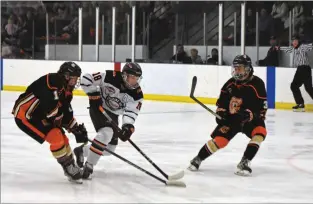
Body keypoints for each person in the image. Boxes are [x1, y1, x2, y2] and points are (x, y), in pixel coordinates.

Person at [188, 55, 268, 176]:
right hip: (233, 119)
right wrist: (221, 112)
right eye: (235, 68)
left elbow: (263, 108)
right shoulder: (229, 85)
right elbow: (222, 103)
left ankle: (244, 162)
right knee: (220, 140)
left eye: (239, 68)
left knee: (260, 132)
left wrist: (251, 115)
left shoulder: (257, 84)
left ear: (248, 69)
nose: (236, 71)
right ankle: (198, 158)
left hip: (249, 119)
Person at [12, 62, 88, 184]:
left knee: (63, 137)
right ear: (66, 76)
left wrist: (75, 128)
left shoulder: (67, 91)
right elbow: (51, 112)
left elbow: (65, 112)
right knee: (56, 136)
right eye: (74, 78)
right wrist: (68, 125)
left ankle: (71, 165)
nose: (75, 82)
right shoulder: (52, 81)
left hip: (41, 114)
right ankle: (67, 166)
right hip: (26, 115)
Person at [74, 62, 144, 179]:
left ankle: (81, 151)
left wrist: (128, 126)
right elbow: (86, 79)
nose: (134, 81)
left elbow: (131, 112)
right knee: (106, 133)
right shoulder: (109, 76)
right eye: (132, 77)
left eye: (137, 78)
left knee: (109, 149)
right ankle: (89, 165)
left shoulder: (137, 94)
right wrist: (93, 94)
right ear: (124, 75)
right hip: (99, 108)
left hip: (114, 115)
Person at [280, 34, 313, 112]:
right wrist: (278, 48)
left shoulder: (303, 47)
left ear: (299, 41)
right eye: (292, 41)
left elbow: (310, 46)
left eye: (295, 41)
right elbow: (287, 49)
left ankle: (300, 104)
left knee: (308, 88)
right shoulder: (293, 48)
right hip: (299, 70)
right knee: (294, 86)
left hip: (305, 69)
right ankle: (300, 104)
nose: (293, 42)